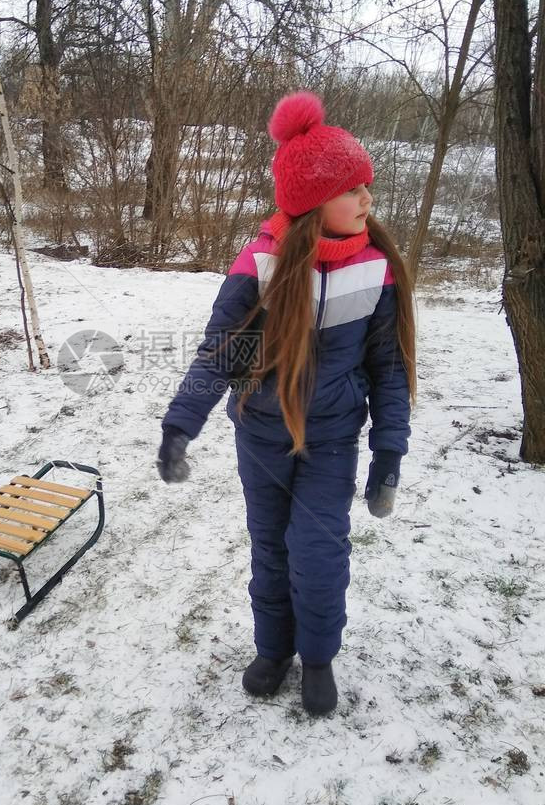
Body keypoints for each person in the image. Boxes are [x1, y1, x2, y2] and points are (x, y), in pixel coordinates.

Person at [156, 91, 416, 717]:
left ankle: (319, 657)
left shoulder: (375, 270)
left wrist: (388, 455)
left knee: (318, 551)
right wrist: (179, 427)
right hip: (262, 438)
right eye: (353, 189)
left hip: (330, 440)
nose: (366, 200)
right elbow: (219, 351)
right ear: (313, 201)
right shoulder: (260, 266)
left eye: (365, 188)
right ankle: (274, 649)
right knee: (270, 548)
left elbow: (389, 369)